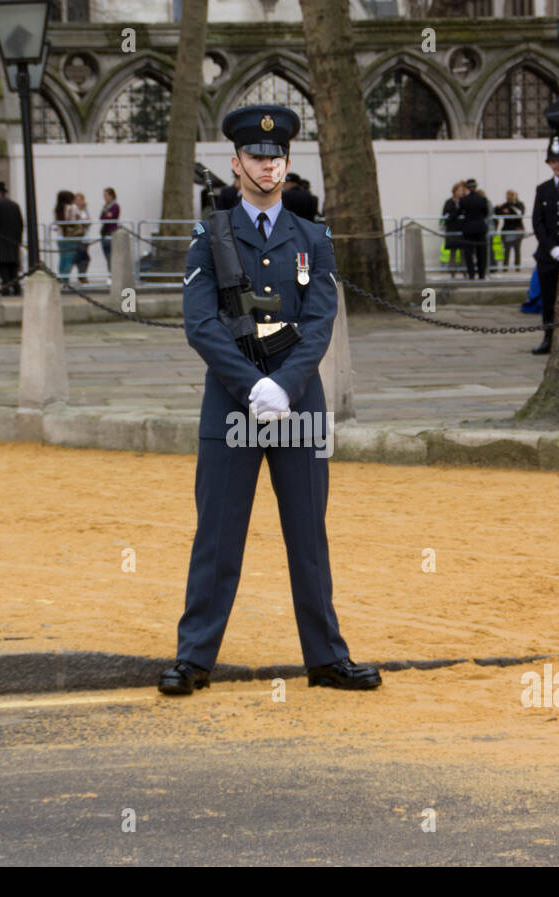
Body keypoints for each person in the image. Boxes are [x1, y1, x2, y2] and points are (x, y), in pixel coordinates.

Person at [162, 103, 382, 697]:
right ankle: (194, 658)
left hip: (298, 409)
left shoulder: (313, 236)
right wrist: (251, 385)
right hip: (234, 407)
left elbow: (319, 321)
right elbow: (201, 324)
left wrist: (283, 385)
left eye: (277, 156)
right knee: (218, 536)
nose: (268, 165)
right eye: (257, 157)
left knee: (308, 535)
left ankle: (327, 658)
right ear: (235, 164)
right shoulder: (211, 235)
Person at [531, 136, 559, 355]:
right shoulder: (543, 189)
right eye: (553, 161)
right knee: (548, 299)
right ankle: (548, 337)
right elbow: (538, 222)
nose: (558, 164)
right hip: (548, 255)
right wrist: (552, 247)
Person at [0, 180, 24, 295]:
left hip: (1, 239)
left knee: (3, 266)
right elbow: (20, 223)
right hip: (13, 239)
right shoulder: (14, 205)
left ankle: (6, 288)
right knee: (13, 266)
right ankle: (16, 288)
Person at [456, 178, 489, 280]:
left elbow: (460, 211)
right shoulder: (482, 199)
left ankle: (471, 274)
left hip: (468, 228)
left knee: (469, 253)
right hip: (480, 228)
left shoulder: (464, 200)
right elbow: (486, 213)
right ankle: (481, 274)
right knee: (481, 252)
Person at [52, 190, 83, 280]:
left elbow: (56, 225)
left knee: (62, 258)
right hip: (71, 236)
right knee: (69, 259)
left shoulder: (58, 209)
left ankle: (61, 278)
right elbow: (78, 218)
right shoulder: (73, 207)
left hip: (60, 237)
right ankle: (65, 280)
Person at [494, 189, 526, 272]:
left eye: (511, 196)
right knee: (506, 249)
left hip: (517, 229)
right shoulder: (505, 205)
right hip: (507, 230)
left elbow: (520, 213)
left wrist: (511, 208)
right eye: (507, 196)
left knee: (517, 249)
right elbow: (498, 213)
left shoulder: (519, 204)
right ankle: (505, 266)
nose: (509, 198)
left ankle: (517, 266)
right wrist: (497, 208)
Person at [441, 181, 465, 278]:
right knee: (453, 252)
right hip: (452, 229)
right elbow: (447, 215)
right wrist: (458, 212)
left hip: (462, 230)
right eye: (458, 190)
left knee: (463, 252)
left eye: (461, 190)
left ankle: (464, 271)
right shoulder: (449, 202)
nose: (460, 192)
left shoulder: (464, 201)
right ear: (454, 191)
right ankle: (452, 271)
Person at [98, 187, 120, 270]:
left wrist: (107, 216)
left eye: (106, 195)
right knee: (107, 255)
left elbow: (110, 218)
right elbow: (102, 217)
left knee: (112, 255)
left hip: (111, 232)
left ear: (111, 196)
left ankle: (113, 274)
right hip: (104, 232)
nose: (104, 197)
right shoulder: (105, 207)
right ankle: (110, 273)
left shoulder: (115, 206)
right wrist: (106, 216)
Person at [72, 191, 91, 284]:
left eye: (80, 200)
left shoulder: (84, 210)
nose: (78, 202)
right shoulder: (74, 210)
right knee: (81, 257)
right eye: (77, 199)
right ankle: (81, 275)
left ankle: (82, 275)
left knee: (83, 258)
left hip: (85, 238)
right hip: (77, 238)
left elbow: (88, 221)